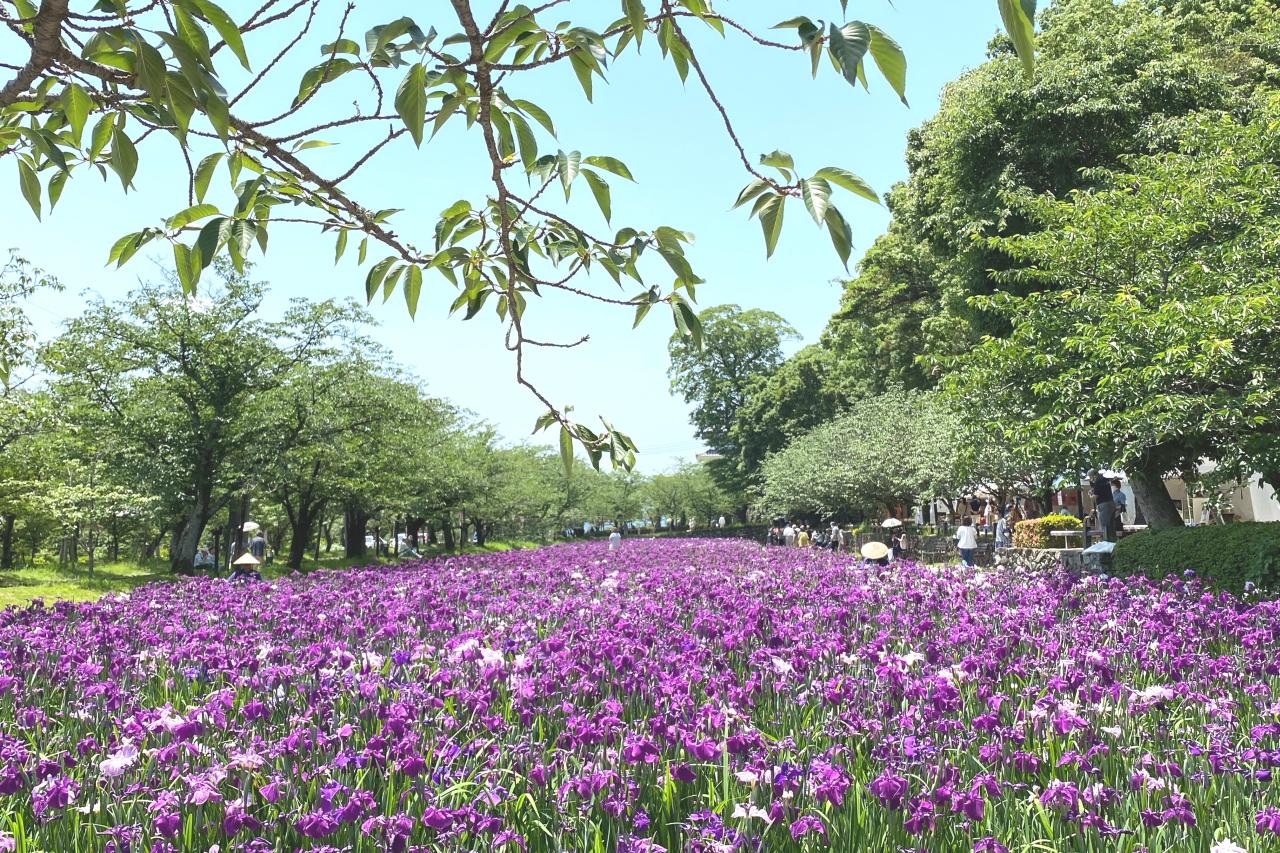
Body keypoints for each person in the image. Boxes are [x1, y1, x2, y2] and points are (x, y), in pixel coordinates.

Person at [1089, 468, 1117, 542]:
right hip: (1111, 503)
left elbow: (1095, 497)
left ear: (1093, 476)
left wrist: (1090, 495)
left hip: (1104, 505)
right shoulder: (1105, 479)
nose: (1091, 479)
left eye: (1091, 477)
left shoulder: (1098, 481)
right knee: (1111, 528)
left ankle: (1105, 546)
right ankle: (1113, 545)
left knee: (1105, 528)